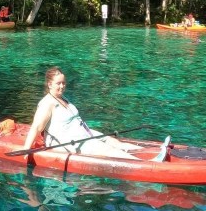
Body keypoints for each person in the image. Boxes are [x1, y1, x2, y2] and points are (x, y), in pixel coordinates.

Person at [22, 67, 153, 161]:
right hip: (69, 143)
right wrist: (26, 149)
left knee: (111, 140)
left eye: (63, 83)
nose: (62, 86)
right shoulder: (47, 103)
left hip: (84, 134)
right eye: (58, 83)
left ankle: (149, 152)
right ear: (50, 84)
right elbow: (36, 127)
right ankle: (145, 164)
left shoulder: (63, 98)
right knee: (107, 150)